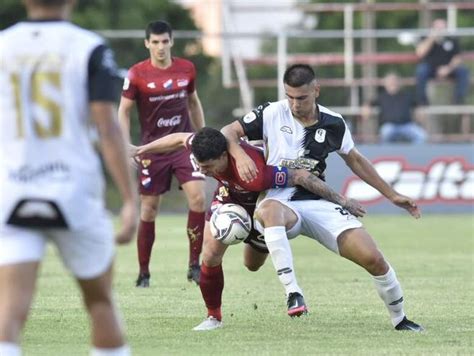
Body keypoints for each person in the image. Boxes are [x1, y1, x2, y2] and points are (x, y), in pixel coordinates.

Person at [221, 64, 424, 331]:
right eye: (289, 97)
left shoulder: (333, 123)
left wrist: (392, 195)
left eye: (301, 98)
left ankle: (400, 319)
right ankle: (293, 292)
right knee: (257, 247)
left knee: (373, 258)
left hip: (317, 201)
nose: (294, 104)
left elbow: (356, 161)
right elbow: (228, 132)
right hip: (277, 200)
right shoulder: (271, 112)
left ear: (316, 90)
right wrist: (241, 154)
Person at [0, 0, 138, 355]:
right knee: (100, 303)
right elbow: (107, 128)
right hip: (73, 192)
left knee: (9, 313)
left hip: (13, 189)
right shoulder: (88, 47)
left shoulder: (4, 45)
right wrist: (129, 200)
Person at [131, 127, 365, 330]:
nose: (203, 172)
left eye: (208, 167)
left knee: (251, 265)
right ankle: (213, 316)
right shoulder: (203, 146)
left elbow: (301, 177)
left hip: (259, 210)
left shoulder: (254, 173)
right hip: (228, 199)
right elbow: (179, 138)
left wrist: (342, 201)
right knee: (210, 254)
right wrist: (142, 149)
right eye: (200, 166)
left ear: (223, 156)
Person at [118, 20, 207, 287]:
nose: (160, 47)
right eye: (155, 42)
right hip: (152, 150)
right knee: (149, 208)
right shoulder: (136, 74)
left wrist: (203, 137)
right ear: (147, 43)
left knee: (199, 198)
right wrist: (125, 146)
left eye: (164, 41)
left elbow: (193, 102)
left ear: (171, 41)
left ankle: (194, 265)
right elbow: (123, 111)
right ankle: (144, 273)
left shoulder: (186, 69)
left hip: (183, 145)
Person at [415, 18, 470, 105]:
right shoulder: (425, 38)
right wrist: (431, 39)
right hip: (430, 68)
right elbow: (420, 53)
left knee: (464, 71)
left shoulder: (452, 39)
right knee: (421, 71)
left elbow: (458, 57)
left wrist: (448, 68)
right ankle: (422, 100)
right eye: (437, 27)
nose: (440, 30)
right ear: (432, 28)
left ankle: (459, 100)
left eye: (442, 27)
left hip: (449, 68)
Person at [361, 72, 427, 144]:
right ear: (385, 84)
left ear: (399, 83)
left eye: (394, 81)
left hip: (407, 125)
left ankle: (414, 154)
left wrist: (421, 110)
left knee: (422, 136)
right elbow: (369, 103)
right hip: (390, 126)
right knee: (385, 133)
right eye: (390, 81)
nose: (392, 83)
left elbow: (420, 103)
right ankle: (388, 154)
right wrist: (366, 107)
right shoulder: (382, 97)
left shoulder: (406, 95)